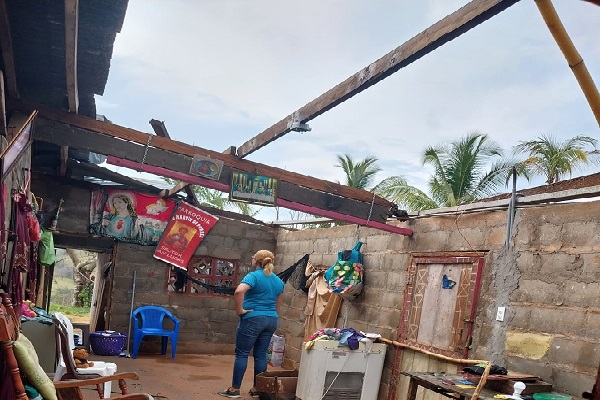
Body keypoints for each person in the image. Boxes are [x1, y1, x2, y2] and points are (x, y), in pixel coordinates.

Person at [218, 250, 285, 398]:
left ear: (256, 261)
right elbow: (278, 305)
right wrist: (270, 315)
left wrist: (240, 310)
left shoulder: (253, 276)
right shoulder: (278, 281)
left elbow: (239, 291)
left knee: (242, 354)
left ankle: (234, 389)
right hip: (271, 320)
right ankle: (257, 389)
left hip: (253, 318)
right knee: (260, 354)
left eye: (253, 257)